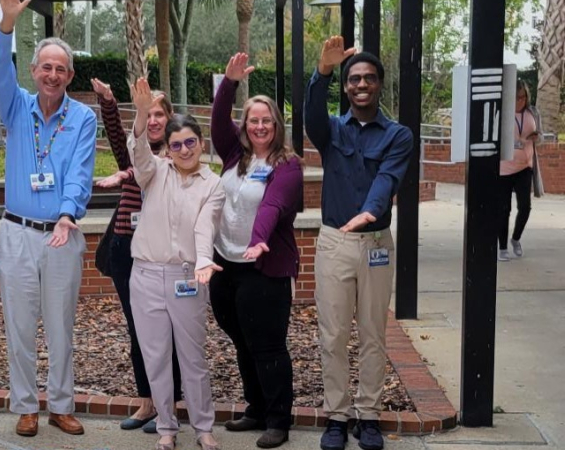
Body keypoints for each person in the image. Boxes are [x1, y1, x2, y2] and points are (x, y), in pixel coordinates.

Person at [0, 0, 97, 438]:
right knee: (18, 324)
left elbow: (80, 173)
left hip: (61, 235)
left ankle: (62, 405)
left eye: (61, 69)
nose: (53, 75)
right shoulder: (16, 108)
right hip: (16, 232)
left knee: (60, 326)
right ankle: (26, 406)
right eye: (46, 67)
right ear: (33, 71)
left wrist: (69, 214)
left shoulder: (82, 118)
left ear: (69, 76)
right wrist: (7, 24)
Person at [304, 36, 413, 450]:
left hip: (376, 244)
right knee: (332, 335)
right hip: (334, 243)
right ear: (346, 86)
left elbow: (388, 177)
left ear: (379, 84)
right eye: (353, 79)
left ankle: (368, 415)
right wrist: (324, 71)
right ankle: (337, 415)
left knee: (372, 333)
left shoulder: (398, 134)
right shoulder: (331, 131)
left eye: (368, 78)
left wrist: (371, 209)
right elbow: (312, 116)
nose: (361, 84)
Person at [209, 53, 304, 449]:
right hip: (225, 263)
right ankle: (256, 407)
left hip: (263, 267)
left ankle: (278, 418)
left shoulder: (288, 165)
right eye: (253, 120)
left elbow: (273, 205)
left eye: (266, 120)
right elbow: (216, 123)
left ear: (276, 125)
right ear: (246, 125)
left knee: (267, 344)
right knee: (241, 337)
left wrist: (258, 239)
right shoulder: (236, 155)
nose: (260, 126)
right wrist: (228, 85)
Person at [128, 78, 225, 450]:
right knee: (155, 357)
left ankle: (203, 427)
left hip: (188, 277)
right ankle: (166, 426)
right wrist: (140, 113)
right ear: (167, 149)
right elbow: (137, 152)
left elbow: (206, 227)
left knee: (192, 357)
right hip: (147, 276)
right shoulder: (153, 172)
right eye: (176, 144)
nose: (184, 149)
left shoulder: (212, 185)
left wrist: (203, 261)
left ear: (201, 143)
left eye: (190, 142)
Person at [90, 77, 183, 433]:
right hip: (125, 250)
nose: (155, 120)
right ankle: (147, 403)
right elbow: (117, 133)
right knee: (138, 330)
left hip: (161, 254)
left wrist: (126, 174)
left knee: (167, 330)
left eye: (160, 114)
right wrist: (109, 100)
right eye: (150, 114)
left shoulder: (179, 153)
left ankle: (168, 407)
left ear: (169, 119)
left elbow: (148, 169)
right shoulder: (132, 146)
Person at [498, 80, 537, 261]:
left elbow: (542, 135)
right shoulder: (503, 114)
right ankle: (502, 247)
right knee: (503, 209)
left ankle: (515, 238)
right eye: (516, 97)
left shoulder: (532, 113)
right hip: (505, 167)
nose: (520, 101)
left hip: (524, 166)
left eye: (523, 97)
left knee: (525, 207)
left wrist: (535, 137)